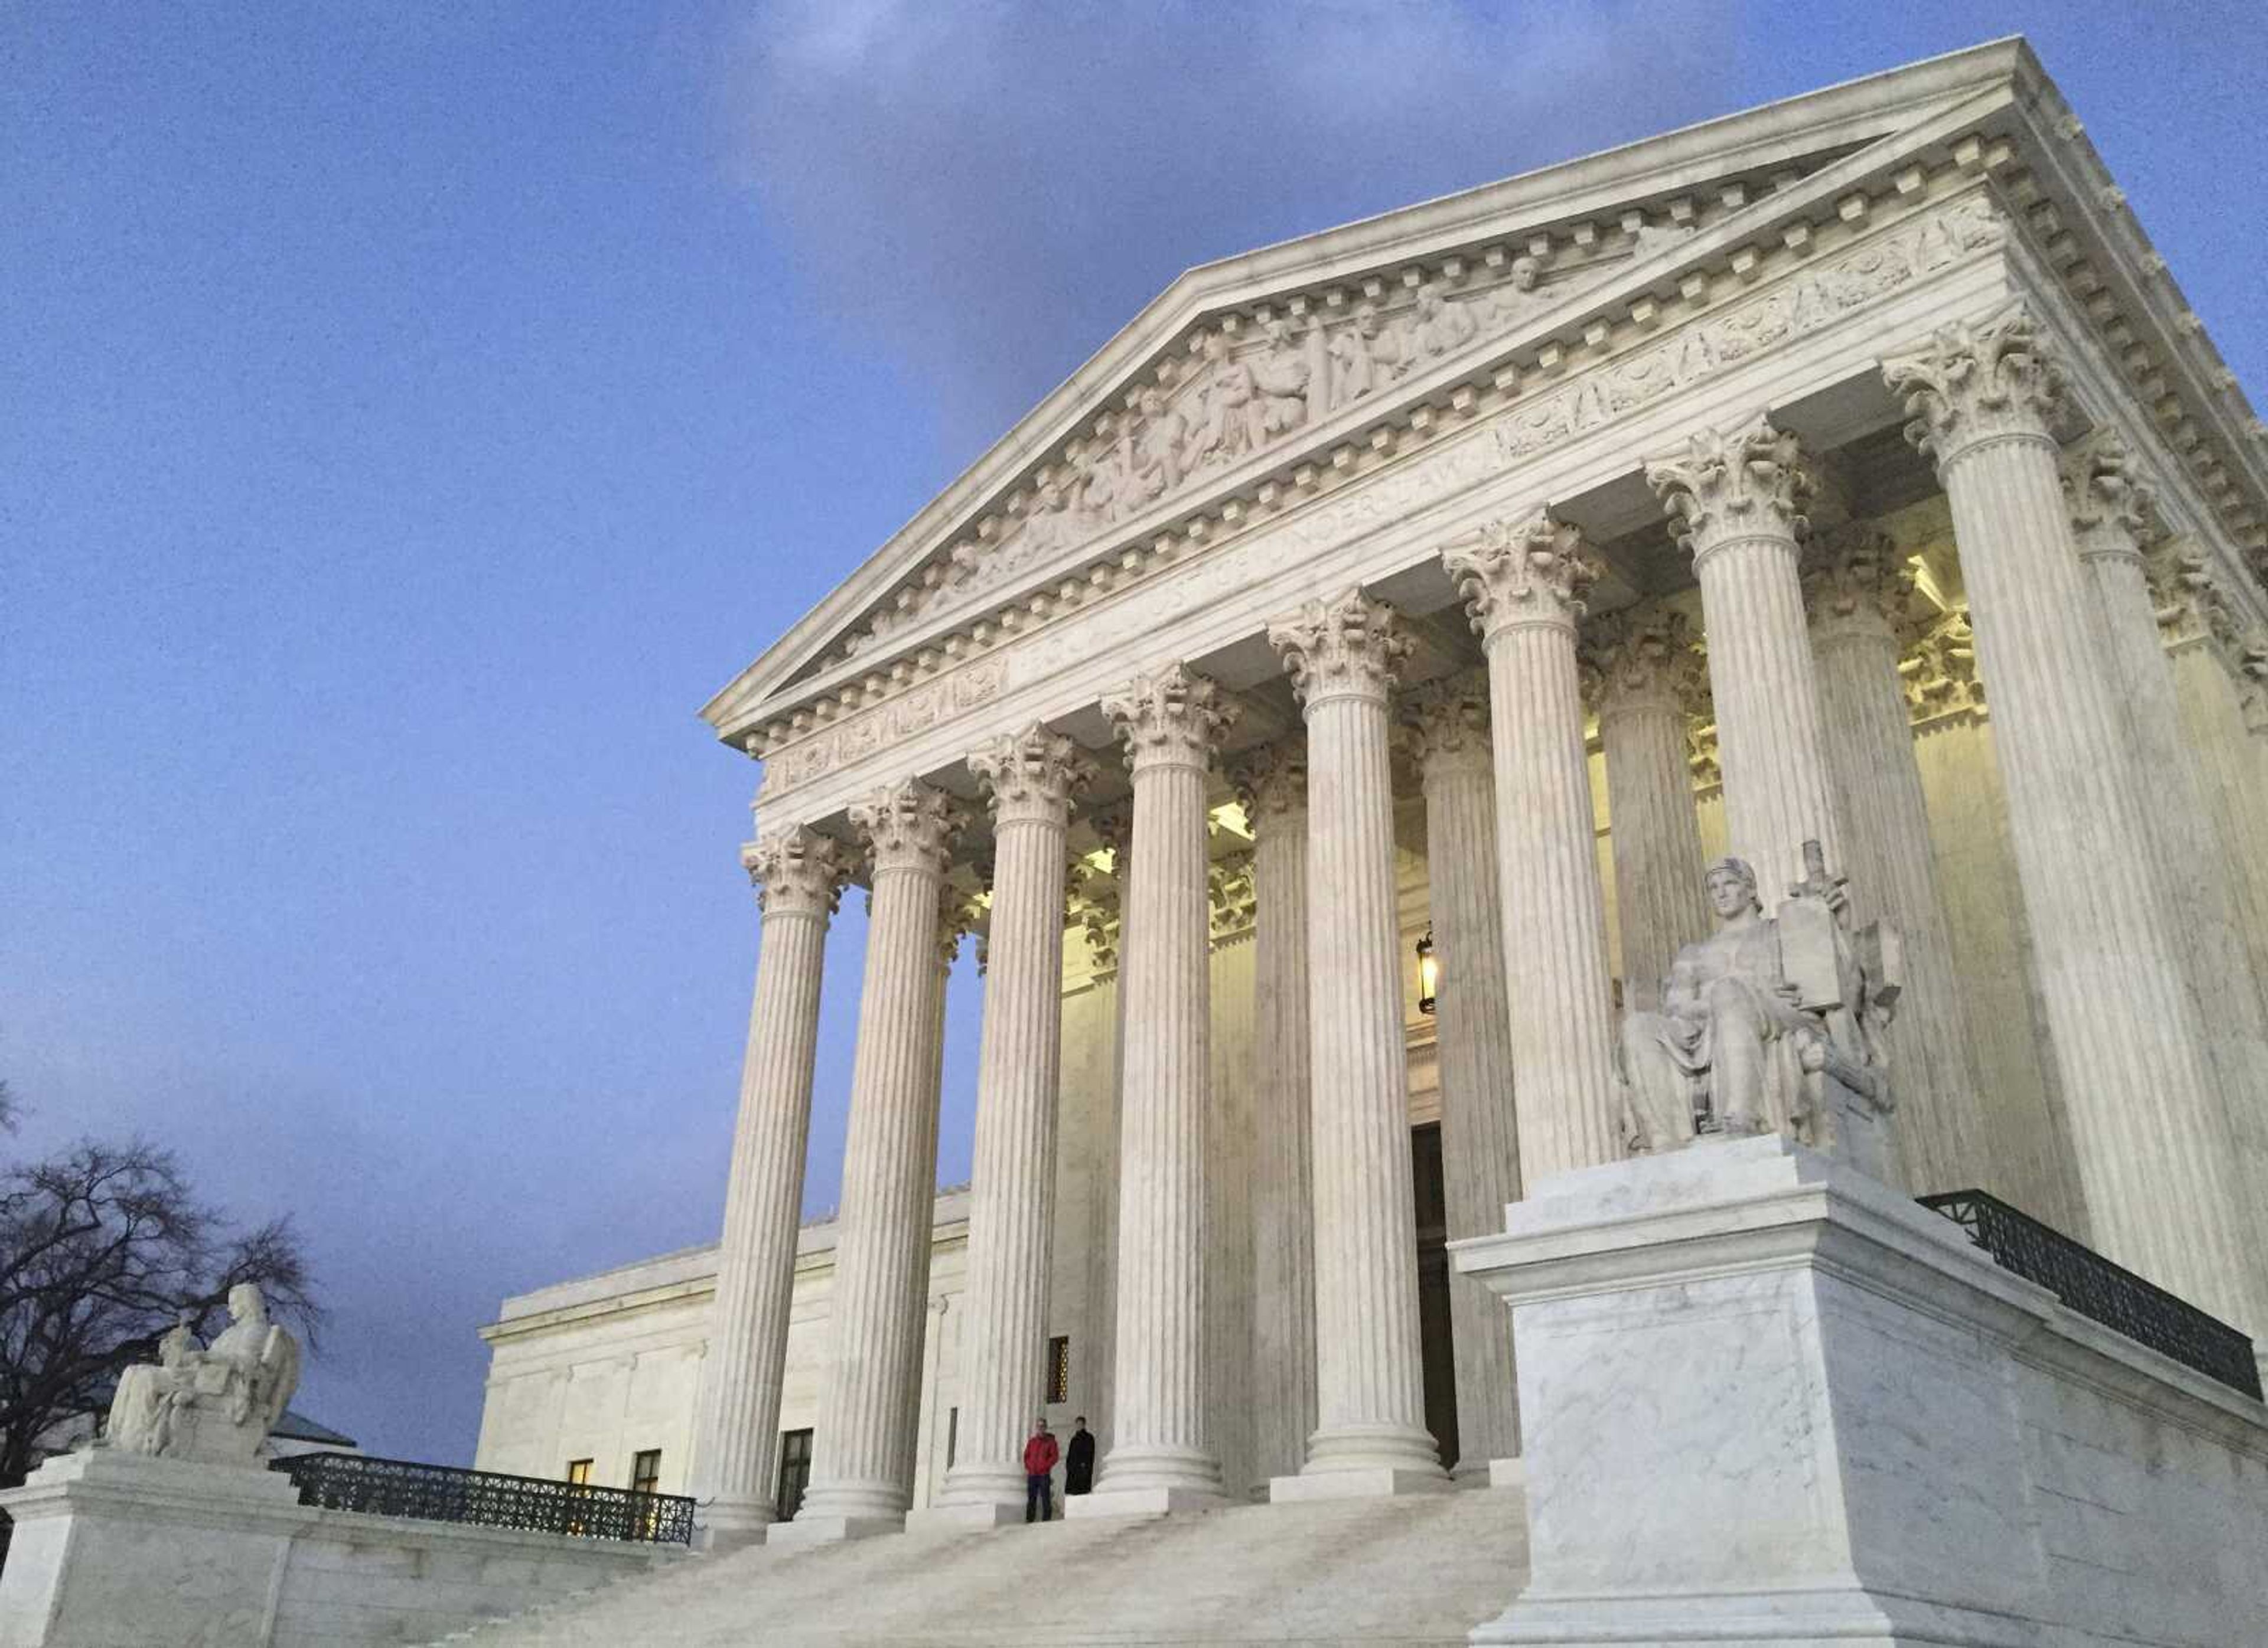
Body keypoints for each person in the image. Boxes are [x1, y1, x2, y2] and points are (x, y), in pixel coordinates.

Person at [1022, 1418, 1060, 1523]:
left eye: (1043, 1426)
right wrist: (1029, 1467)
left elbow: (1055, 1457)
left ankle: (1046, 1520)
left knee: (1045, 1497)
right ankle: (1030, 1519)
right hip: (1032, 1474)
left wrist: (1045, 1466)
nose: (1041, 1428)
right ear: (1036, 1428)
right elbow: (1026, 1456)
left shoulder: (1051, 1442)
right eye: (1039, 1426)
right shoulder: (1032, 1442)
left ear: (1046, 1428)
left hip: (1044, 1474)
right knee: (1032, 1498)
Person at [1063, 1415, 1095, 1498]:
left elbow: (1090, 1453)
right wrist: (1068, 1465)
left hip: (1083, 1469)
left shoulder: (1089, 1438)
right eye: (1077, 1424)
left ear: (1084, 1425)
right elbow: (1070, 1454)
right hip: (1073, 1470)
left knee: (1083, 1491)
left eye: (1080, 1424)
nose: (1078, 1426)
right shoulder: (1074, 1439)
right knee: (1073, 1492)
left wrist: (1084, 1465)